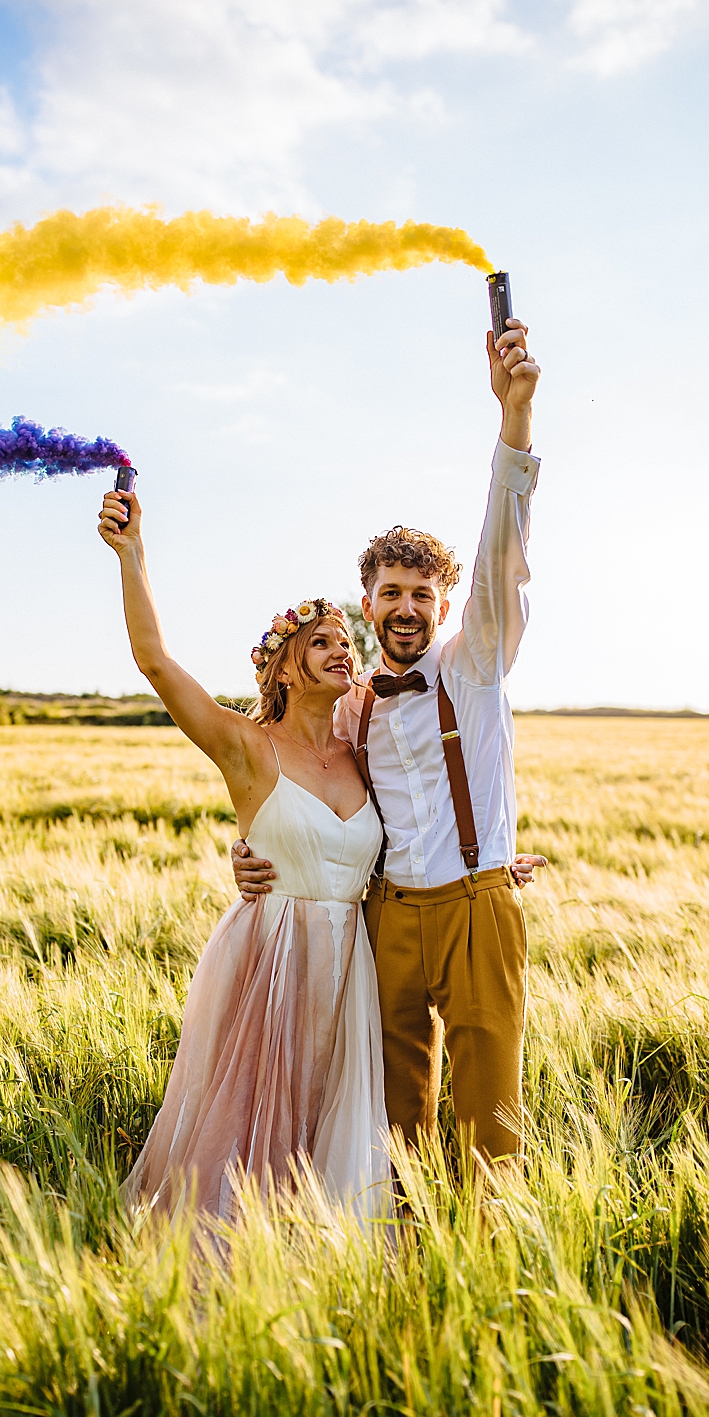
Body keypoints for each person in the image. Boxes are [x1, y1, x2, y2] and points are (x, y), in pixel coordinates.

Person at [233, 320, 545, 1171]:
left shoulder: (474, 660)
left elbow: (502, 555)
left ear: (444, 607)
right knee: (392, 1115)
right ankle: (405, 1256)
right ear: (367, 604)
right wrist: (248, 847)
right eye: (390, 592)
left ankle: (484, 1268)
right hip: (386, 918)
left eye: (422, 594)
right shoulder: (352, 705)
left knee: (489, 1117)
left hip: (476, 909)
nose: (407, 607)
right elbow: (289, 776)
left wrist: (513, 417)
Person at [97, 518, 390, 1226]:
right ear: (284, 667)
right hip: (273, 955)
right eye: (319, 641)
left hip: (354, 966)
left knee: (329, 1121)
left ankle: (321, 1253)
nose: (341, 650)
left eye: (346, 640)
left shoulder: (367, 744)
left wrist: (498, 858)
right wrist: (133, 555)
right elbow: (155, 662)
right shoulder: (246, 746)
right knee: (253, 1124)